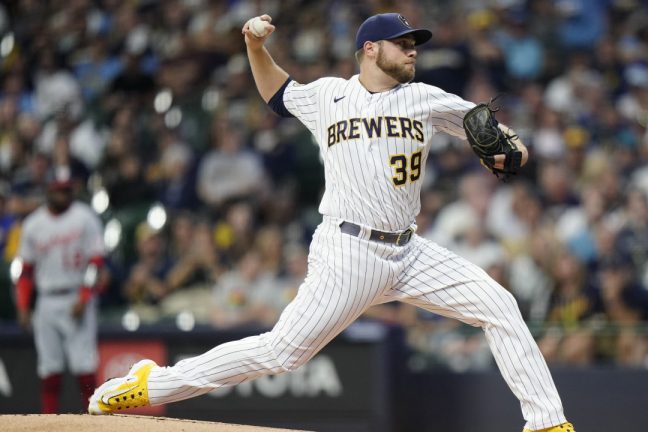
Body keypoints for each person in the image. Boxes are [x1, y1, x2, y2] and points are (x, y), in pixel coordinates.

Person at [89, 13, 575, 432]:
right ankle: (154, 383)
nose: (412, 52)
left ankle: (548, 422)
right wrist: (255, 45)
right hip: (349, 251)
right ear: (369, 49)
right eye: (402, 44)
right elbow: (276, 92)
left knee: (499, 304)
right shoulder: (328, 96)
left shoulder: (425, 98)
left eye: (414, 46)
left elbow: (490, 131)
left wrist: (512, 146)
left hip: (409, 252)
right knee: (282, 354)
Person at [14, 175, 107, 413]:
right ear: (48, 192)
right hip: (46, 300)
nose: (63, 195)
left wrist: (85, 297)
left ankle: (96, 421)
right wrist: (24, 305)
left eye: (67, 190)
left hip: (76, 296)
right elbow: (25, 270)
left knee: (84, 365)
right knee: (49, 367)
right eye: (59, 191)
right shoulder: (34, 224)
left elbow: (95, 263)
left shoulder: (85, 217)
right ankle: (49, 422)